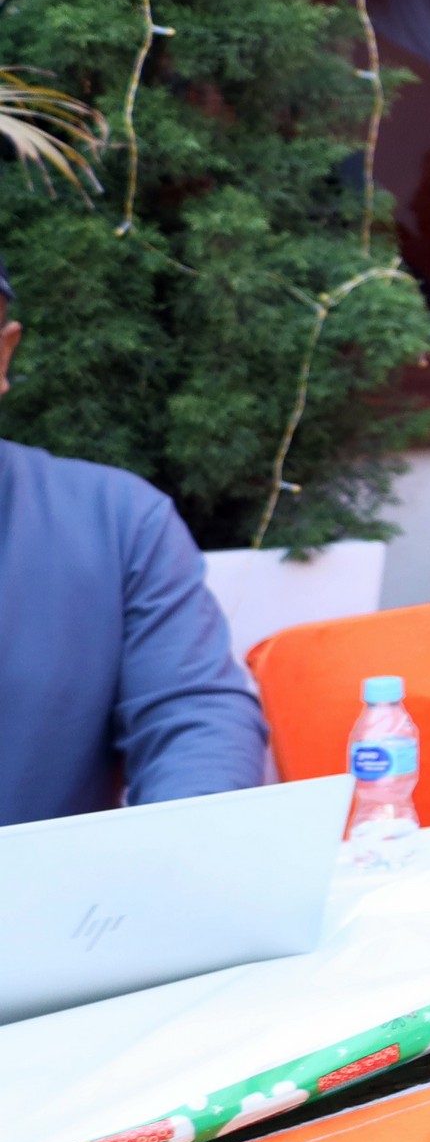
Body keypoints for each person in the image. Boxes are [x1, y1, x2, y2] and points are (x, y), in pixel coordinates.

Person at [0, 252, 272, 825]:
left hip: (49, 883)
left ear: (4, 354)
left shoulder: (117, 521)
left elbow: (193, 717)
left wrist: (177, 850)